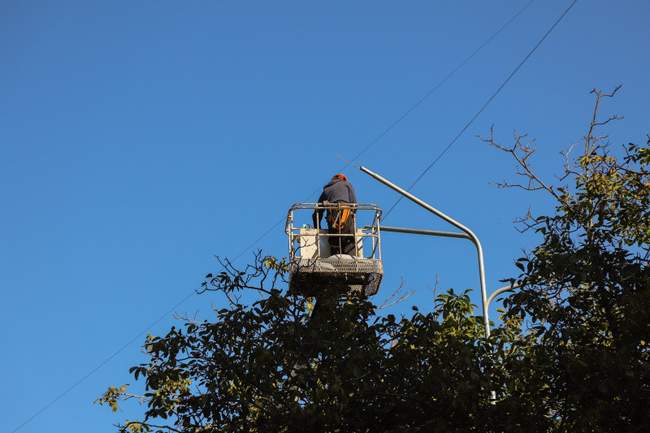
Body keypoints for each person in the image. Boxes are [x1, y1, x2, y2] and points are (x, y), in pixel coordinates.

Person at [312, 173, 358, 255]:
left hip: (332, 216)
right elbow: (354, 204)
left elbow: (317, 212)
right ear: (343, 179)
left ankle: (334, 262)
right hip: (346, 214)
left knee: (334, 242)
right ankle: (352, 260)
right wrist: (352, 215)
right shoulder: (347, 184)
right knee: (349, 241)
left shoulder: (326, 190)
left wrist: (318, 228)